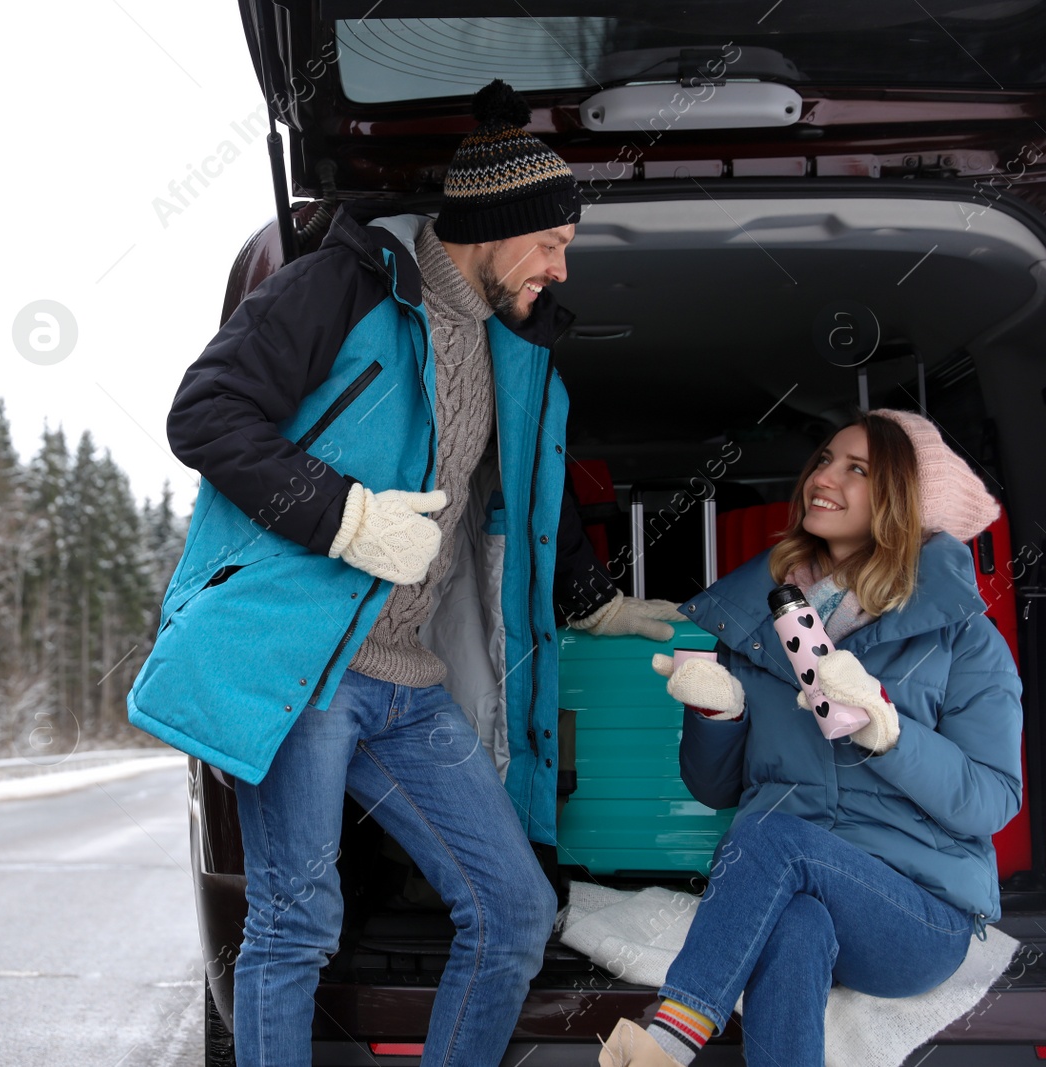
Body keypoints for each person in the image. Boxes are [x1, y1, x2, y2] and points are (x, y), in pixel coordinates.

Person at [127, 79, 682, 1066]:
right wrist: (343, 513)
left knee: (511, 910)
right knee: (296, 921)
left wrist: (591, 602)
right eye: (550, 241)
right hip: (308, 668)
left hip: (405, 683)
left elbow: (520, 491)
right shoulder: (339, 288)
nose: (561, 265)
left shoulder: (505, 338)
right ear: (495, 227)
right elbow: (203, 416)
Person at [599, 410, 1023, 1067]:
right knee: (792, 924)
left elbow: (992, 800)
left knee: (771, 832)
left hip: (915, 913)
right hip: (796, 889)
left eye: (858, 469)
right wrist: (718, 715)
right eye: (825, 458)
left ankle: (669, 1039)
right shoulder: (758, 619)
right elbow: (716, 789)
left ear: (903, 500)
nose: (824, 477)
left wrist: (889, 731)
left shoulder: (961, 640)